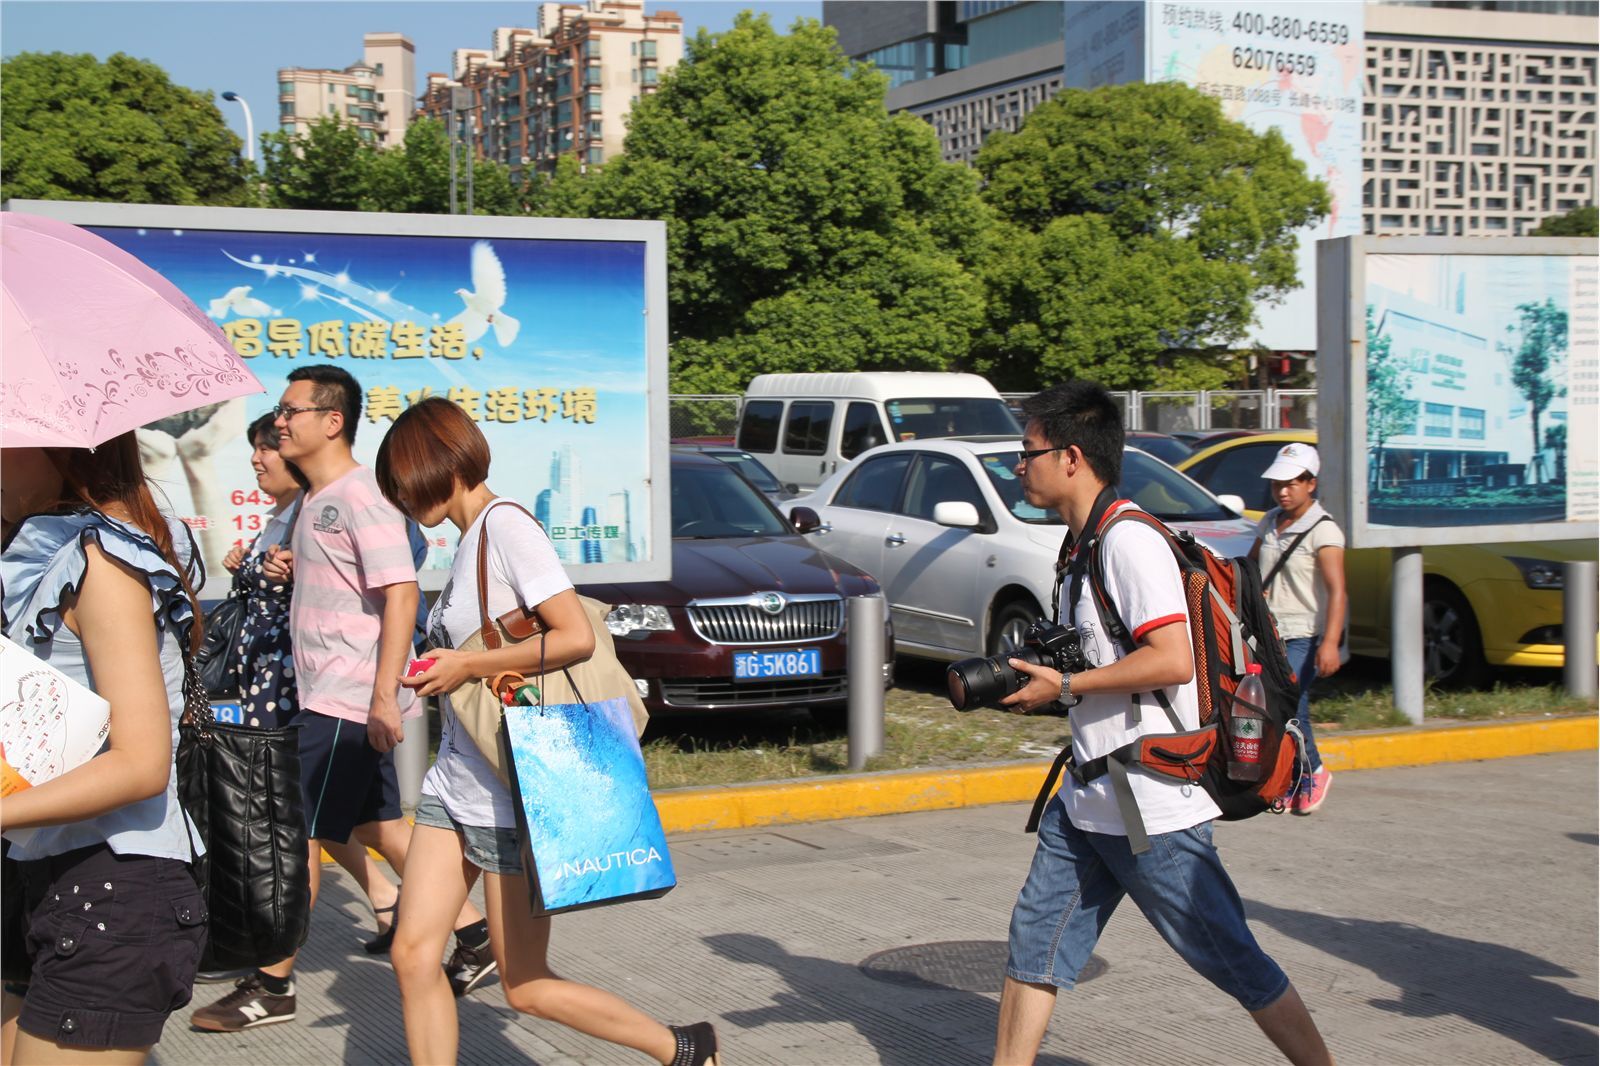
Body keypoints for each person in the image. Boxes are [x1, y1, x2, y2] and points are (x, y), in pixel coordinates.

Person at [990, 382, 1331, 1066]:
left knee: (1230, 958)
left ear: (1072, 458)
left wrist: (1069, 683)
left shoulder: (1128, 542)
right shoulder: (1078, 546)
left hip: (1148, 801)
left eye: (1027, 452)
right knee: (1036, 946)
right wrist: (1053, 681)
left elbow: (1171, 659)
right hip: (1088, 793)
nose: (1017, 467)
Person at [376, 397, 720, 1066]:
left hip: (517, 790)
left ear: (436, 465)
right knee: (413, 954)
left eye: (402, 481)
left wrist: (469, 662)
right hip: (456, 782)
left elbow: (573, 635)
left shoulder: (506, 528)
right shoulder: (469, 542)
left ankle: (682, 1048)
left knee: (524, 987)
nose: (399, 497)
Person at [191, 366, 483, 1031]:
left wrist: (383, 697)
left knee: (295, 842)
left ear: (332, 421)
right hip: (331, 696)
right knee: (371, 826)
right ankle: (477, 936)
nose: (281, 422)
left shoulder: (359, 497)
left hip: (347, 702)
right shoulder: (316, 504)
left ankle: (270, 984)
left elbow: (401, 593)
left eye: (292, 411)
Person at [0, 434, 210, 1064]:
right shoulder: (36, 548)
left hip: (113, 882)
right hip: (36, 867)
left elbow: (141, 763)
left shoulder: (103, 561)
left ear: (61, 449)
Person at [1251, 442, 1346, 816]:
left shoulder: (1325, 531)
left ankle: (1314, 770)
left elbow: (1338, 591)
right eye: (1277, 484)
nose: (1283, 491)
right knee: (1277, 707)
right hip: (1270, 632)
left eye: (1291, 483)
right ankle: (1295, 775)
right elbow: (1250, 564)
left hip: (1305, 634)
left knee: (1290, 704)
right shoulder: (1270, 521)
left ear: (1311, 483)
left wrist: (1331, 642)